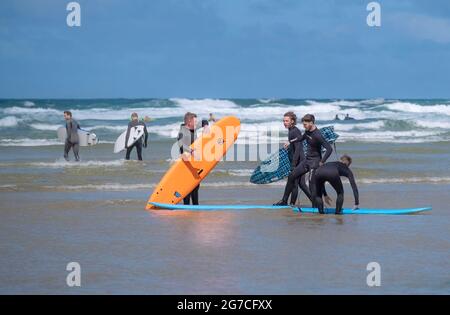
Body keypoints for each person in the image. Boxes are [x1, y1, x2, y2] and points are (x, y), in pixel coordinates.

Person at [274, 114, 332, 206]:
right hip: (306, 161)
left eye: (305, 124)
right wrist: (290, 142)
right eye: (303, 124)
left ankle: (316, 205)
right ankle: (284, 201)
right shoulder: (307, 131)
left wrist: (322, 162)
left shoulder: (317, 135)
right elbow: (301, 138)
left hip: (315, 162)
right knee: (291, 177)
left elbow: (329, 149)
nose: (303, 126)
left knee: (311, 184)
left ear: (311, 123)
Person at [282, 112, 312, 205]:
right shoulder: (291, 130)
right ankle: (314, 202)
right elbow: (295, 145)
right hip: (299, 161)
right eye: (283, 121)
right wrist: (290, 144)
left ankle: (290, 203)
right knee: (300, 184)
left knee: (295, 183)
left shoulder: (294, 131)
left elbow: (298, 148)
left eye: (287, 121)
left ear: (292, 121)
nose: (284, 122)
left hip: (299, 161)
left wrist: (294, 164)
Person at [178, 112, 200, 205]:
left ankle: (196, 207)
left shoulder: (193, 129)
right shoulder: (182, 131)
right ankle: (186, 207)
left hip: (194, 163)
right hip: (185, 164)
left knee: (195, 186)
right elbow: (180, 143)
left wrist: (206, 125)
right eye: (195, 121)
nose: (197, 123)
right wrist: (191, 151)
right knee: (186, 187)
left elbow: (203, 122)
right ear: (189, 121)